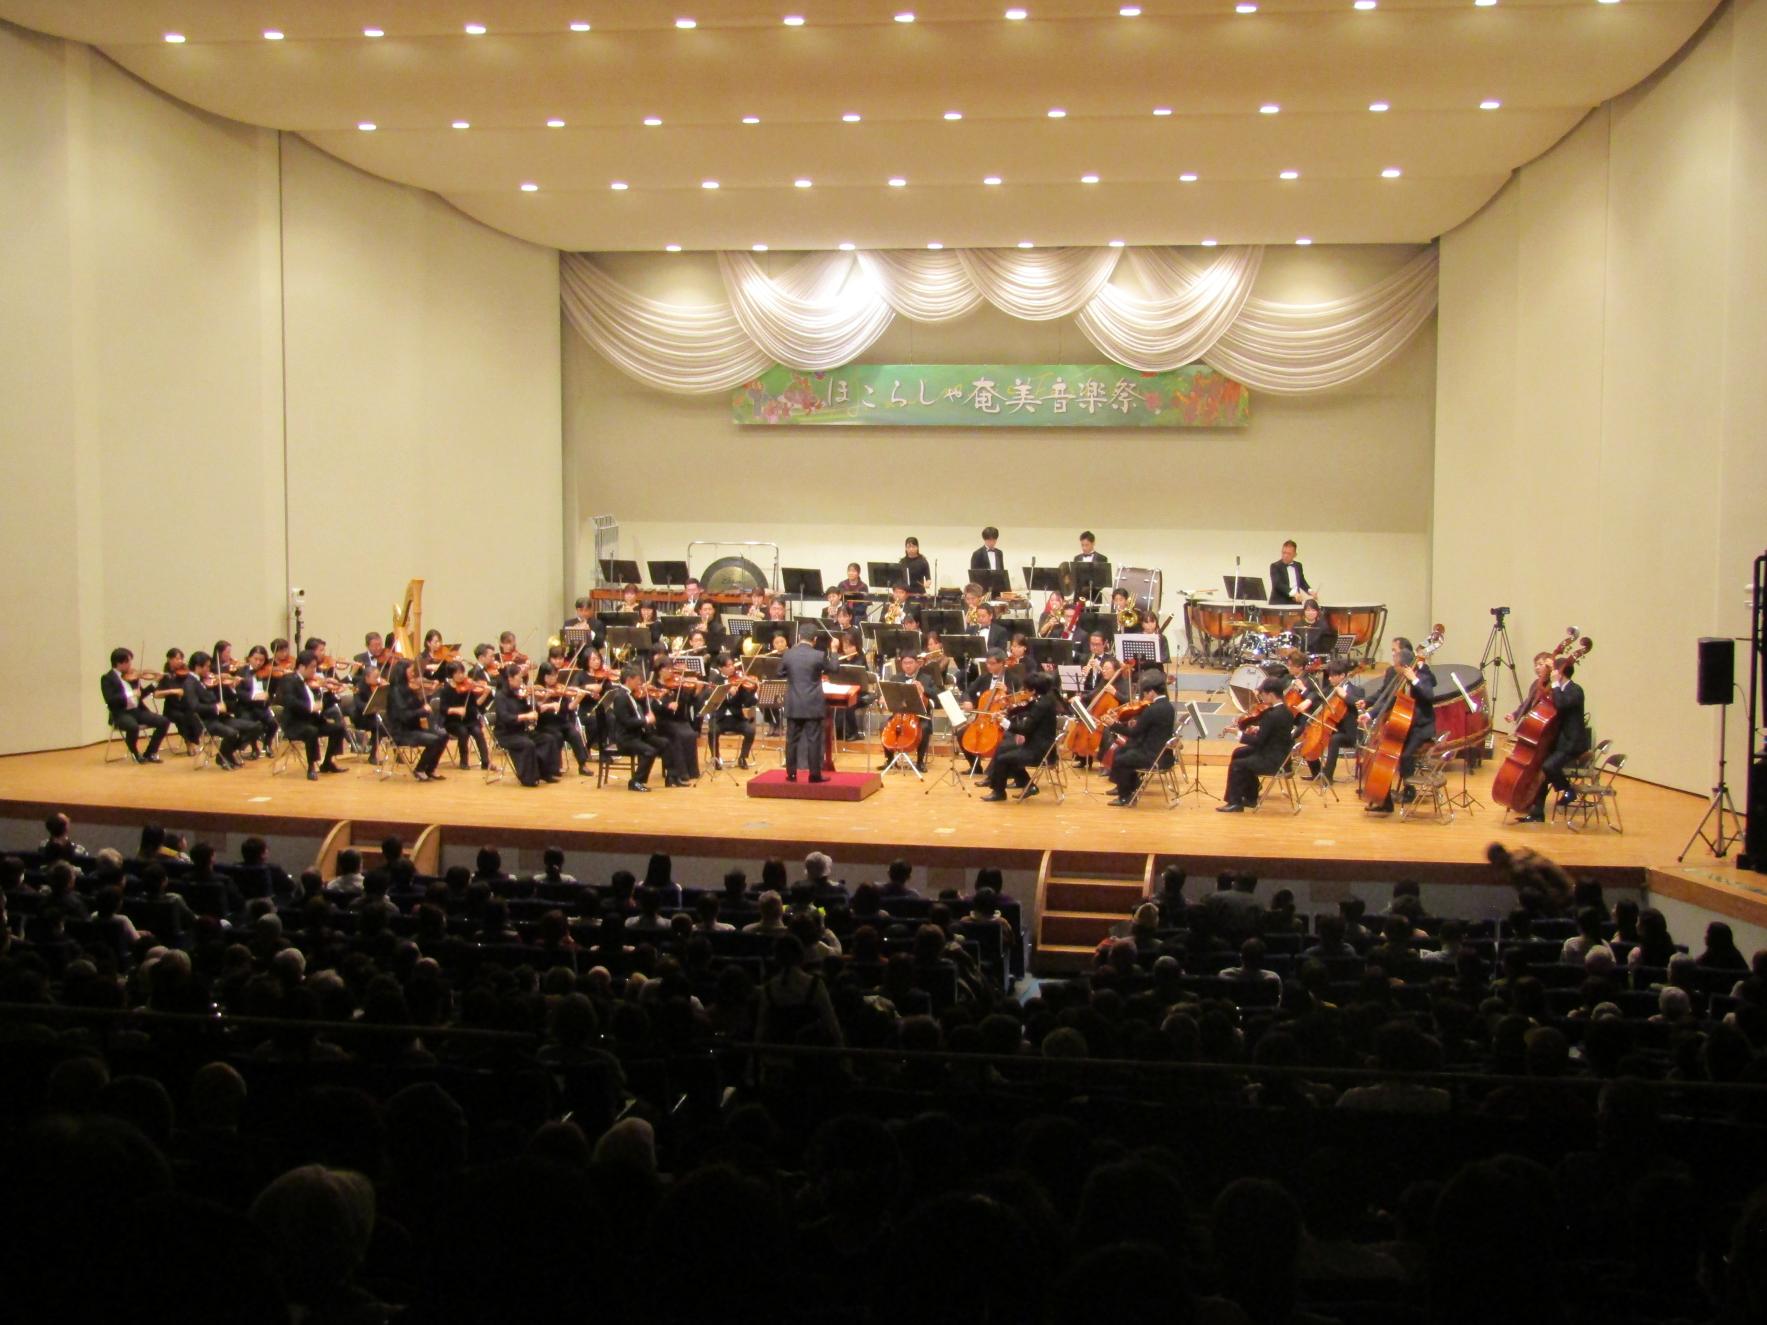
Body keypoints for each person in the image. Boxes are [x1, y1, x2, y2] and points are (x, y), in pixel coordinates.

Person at [1362, 640, 1437, 814]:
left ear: (1405, 666)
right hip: (1403, 725)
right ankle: (1385, 801)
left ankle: (1410, 791)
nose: (1393, 669)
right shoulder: (1399, 678)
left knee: (1405, 756)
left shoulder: (1422, 675)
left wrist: (1414, 680)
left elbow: (1429, 695)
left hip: (1420, 728)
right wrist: (1370, 714)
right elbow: (1388, 700)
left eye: (1396, 665)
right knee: (1385, 755)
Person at [1520, 656, 1589, 822]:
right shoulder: (1558, 690)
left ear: (1561, 673)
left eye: (1555, 671)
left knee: (1548, 766)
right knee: (1540, 771)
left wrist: (1556, 684)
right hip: (1559, 742)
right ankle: (1537, 813)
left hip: (1572, 744)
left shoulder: (1575, 690)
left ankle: (1569, 790)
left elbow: (1561, 704)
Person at [1220, 678, 1297, 812]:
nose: (1261, 698)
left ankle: (1235, 802)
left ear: (1271, 695)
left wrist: (1238, 734)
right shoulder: (1286, 712)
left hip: (1272, 760)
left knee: (1238, 764)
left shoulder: (1271, 716)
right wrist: (1258, 730)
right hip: (1282, 756)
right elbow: (1274, 734)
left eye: (1263, 694)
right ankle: (1250, 797)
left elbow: (1258, 741)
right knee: (1240, 753)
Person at [981, 672, 1058, 801]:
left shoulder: (1041, 705)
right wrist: (1007, 711)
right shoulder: (1046, 699)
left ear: (1033, 690)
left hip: (1039, 750)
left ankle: (999, 793)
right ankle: (1029, 786)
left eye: (1026, 689)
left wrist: (1003, 721)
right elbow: (1028, 707)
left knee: (1002, 758)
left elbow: (1024, 729)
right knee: (1006, 751)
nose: (1024, 692)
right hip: (1041, 746)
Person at [1105, 673, 1177, 806]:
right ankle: (1132, 787)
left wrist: (1114, 725)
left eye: (1145, 693)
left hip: (1152, 756)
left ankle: (1125, 797)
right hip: (1164, 754)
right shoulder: (1169, 707)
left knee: (1121, 759)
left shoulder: (1152, 710)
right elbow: (1153, 728)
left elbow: (1134, 733)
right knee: (1124, 751)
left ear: (1152, 693)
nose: (1144, 696)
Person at [607, 664, 679, 791]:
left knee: (665, 743)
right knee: (649, 751)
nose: (640, 682)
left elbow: (637, 711)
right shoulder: (620, 697)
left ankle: (671, 778)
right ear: (629, 679)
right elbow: (626, 722)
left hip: (638, 734)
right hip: (627, 738)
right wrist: (646, 719)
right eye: (638, 679)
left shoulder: (632, 694)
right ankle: (636, 781)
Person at [182, 651, 255, 769]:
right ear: (197, 666)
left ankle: (225, 754)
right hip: (205, 721)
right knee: (232, 733)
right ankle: (225, 756)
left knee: (254, 727)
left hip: (219, 717)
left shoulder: (203, 680)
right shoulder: (189, 683)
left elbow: (216, 697)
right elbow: (194, 706)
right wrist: (215, 707)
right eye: (206, 666)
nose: (209, 669)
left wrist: (231, 688)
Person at [278, 651, 346, 779]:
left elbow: (323, 703)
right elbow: (290, 702)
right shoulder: (288, 680)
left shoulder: (311, 682)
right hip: (295, 723)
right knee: (311, 731)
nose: (315, 671)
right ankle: (311, 767)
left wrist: (334, 693)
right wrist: (311, 707)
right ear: (302, 667)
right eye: (312, 667)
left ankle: (327, 762)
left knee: (339, 728)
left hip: (313, 720)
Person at [780, 632, 835, 782]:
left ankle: (791, 774)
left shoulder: (788, 654)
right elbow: (834, 668)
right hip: (812, 703)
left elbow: (779, 673)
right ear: (815, 639)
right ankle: (814, 774)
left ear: (799, 637)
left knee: (791, 740)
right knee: (814, 740)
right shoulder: (818, 655)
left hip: (794, 703)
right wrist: (834, 651)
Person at [493, 664, 560, 787]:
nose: (522, 681)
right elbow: (505, 718)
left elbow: (529, 709)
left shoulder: (520, 695)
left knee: (548, 739)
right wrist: (526, 717)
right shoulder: (500, 696)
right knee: (528, 744)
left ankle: (545, 772)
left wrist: (537, 705)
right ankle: (529, 778)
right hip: (506, 734)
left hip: (521, 731)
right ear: (510, 679)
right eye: (520, 678)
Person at [102, 647, 171, 763]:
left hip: (137, 711)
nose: (130, 665)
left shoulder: (132, 677)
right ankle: (135, 753)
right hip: (120, 713)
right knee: (133, 726)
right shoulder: (107, 678)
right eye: (128, 661)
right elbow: (110, 700)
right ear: (120, 663)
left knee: (164, 721)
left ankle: (150, 753)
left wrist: (155, 682)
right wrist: (130, 694)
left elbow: (141, 695)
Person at [388, 659, 448, 781]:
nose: (413, 673)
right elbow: (404, 715)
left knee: (444, 735)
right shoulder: (395, 692)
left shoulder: (408, 689)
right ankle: (419, 770)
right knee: (434, 740)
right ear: (402, 672)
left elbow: (417, 706)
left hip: (414, 727)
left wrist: (427, 694)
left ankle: (430, 769)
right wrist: (423, 710)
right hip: (401, 731)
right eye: (411, 670)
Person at [1308, 659, 1365, 782]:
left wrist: (1344, 695)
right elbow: (1316, 695)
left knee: (1335, 739)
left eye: (1333, 676)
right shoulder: (1330, 689)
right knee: (1310, 732)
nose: (1329, 679)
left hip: (1349, 734)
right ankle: (1317, 772)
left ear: (1342, 676)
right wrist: (1308, 700)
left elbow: (1358, 704)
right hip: (1332, 728)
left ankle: (1328, 777)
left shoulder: (1356, 690)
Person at [708, 660, 758, 770]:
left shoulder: (739, 681)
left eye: (732, 665)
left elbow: (749, 702)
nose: (732, 668)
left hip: (736, 718)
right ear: (721, 668)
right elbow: (712, 699)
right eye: (728, 666)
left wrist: (753, 688)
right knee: (712, 731)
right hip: (719, 718)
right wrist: (726, 691)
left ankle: (742, 757)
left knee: (750, 730)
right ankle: (716, 758)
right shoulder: (715, 681)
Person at [1268, 539, 1316, 605]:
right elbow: (1278, 584)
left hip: (1295, 602)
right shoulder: (1275, 566)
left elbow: (1302, 581)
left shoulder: (1298, 565)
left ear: (1295, 555)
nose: (1285, 556)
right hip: (1279, 603)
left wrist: (1310, 591)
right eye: (1284, 552)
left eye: (1289, 554)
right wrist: (1294, 593)